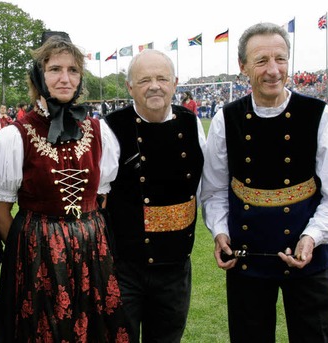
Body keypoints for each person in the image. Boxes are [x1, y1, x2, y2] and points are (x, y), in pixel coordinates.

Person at [200, 22, 328, 342]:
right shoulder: (224, 120)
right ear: (242, 66)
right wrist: (220, 231)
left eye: (281, 59)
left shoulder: (320, 116)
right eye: (261, 61)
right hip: (246, 259)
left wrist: (312, 236)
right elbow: (214, 191)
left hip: (309, 259)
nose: (273, 70)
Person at [0, 32, 127, 342]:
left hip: (92, 251)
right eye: (55, 69)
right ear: (38, 75)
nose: (65, 78)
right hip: (38, 257)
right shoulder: (14, 136)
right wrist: (32, 248)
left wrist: (81, 236)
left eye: (72, 70)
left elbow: (100, 196)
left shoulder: (100, 132)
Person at [103, 49, 205, 342]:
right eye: (144, 79)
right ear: (130, 87)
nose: (154, 86)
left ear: (175, 82)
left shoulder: (192, 123)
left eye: (162, 78)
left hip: (175, 268)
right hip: (125, 268)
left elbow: (205, 188)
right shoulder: (111, 128)